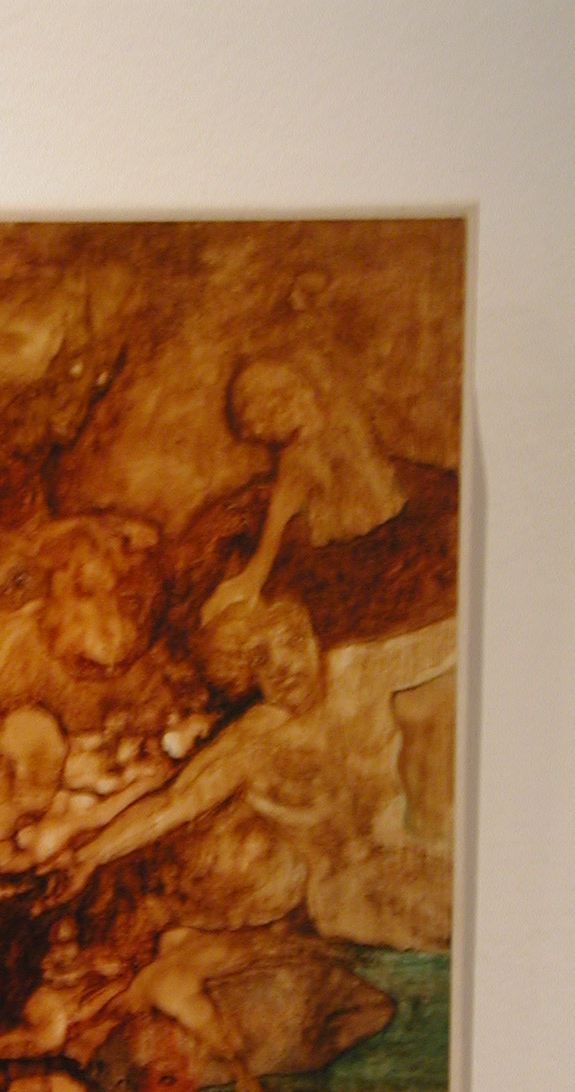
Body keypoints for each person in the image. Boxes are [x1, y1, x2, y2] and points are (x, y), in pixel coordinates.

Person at [49, 617, 456, 952]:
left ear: (315, 640)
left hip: (415, 843)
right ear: (249, 672)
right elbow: (173, 804)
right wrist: (90, 855)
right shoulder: (253, 741)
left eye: (292, 641)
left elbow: (451, 638)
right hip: (347, 889)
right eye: (261, 657)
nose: (282, 665)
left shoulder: (361, 672)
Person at [200, 355, 405, 625]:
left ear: (278, 405)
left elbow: (272, 534)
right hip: (371, 530)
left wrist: (245, 583)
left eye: (256, 424)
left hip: (362, 547)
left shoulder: (303, 452)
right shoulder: (330, 420)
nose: (254, 434)